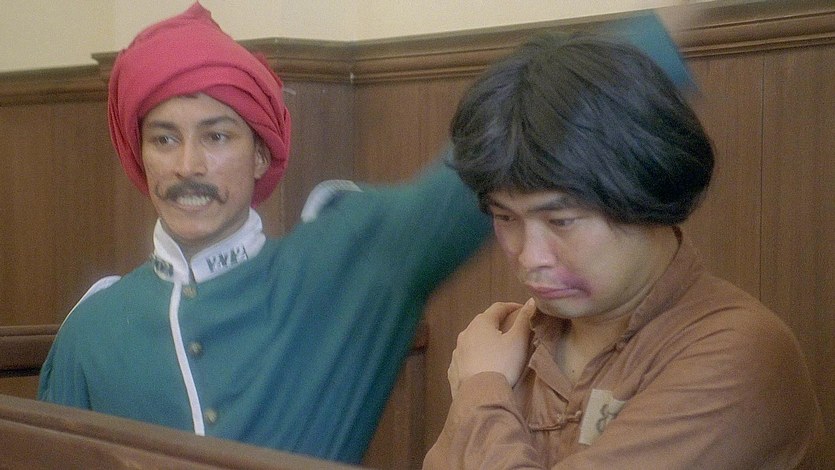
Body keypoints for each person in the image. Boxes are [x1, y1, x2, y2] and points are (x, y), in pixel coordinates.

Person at [37, 2, 491, 465]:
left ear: (259, 155)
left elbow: (468, 179)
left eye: (216, 136)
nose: (187, 166)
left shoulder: (337, 272)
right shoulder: (91, 332)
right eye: (164, 139)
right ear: (141, 155)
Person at [423, 29, 823, 469]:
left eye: (561, 221)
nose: (529, 257)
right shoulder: (509, 340)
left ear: (645, 196)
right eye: (505, 218)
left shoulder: (738, 350)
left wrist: (481, 389)